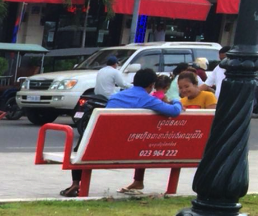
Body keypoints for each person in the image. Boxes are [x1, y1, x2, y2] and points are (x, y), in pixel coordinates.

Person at [62, 67, 181, 198]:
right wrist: (175, 101)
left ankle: (76, 183)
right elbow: (174, 111)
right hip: (132, 149)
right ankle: (138, 181)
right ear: (151, 85)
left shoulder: (116, 96)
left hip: (100, 147)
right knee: (143, 141)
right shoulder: (148, 100)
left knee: (83, 144)